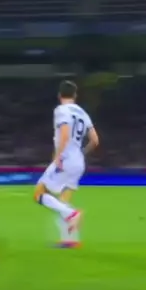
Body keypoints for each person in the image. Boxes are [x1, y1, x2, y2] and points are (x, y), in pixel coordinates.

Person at [34, 80, 99, 247]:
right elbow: (95, 140)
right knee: (63, 200)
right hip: (78, 161)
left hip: (65, 158)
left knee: (38, 194)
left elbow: (64, 134)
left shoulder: (61, 110)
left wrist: (58, 156)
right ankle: (70, 240)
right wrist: (81, 153)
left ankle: (72, 213)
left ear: (59, 95)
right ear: (75, 95)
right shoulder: (83, 113)